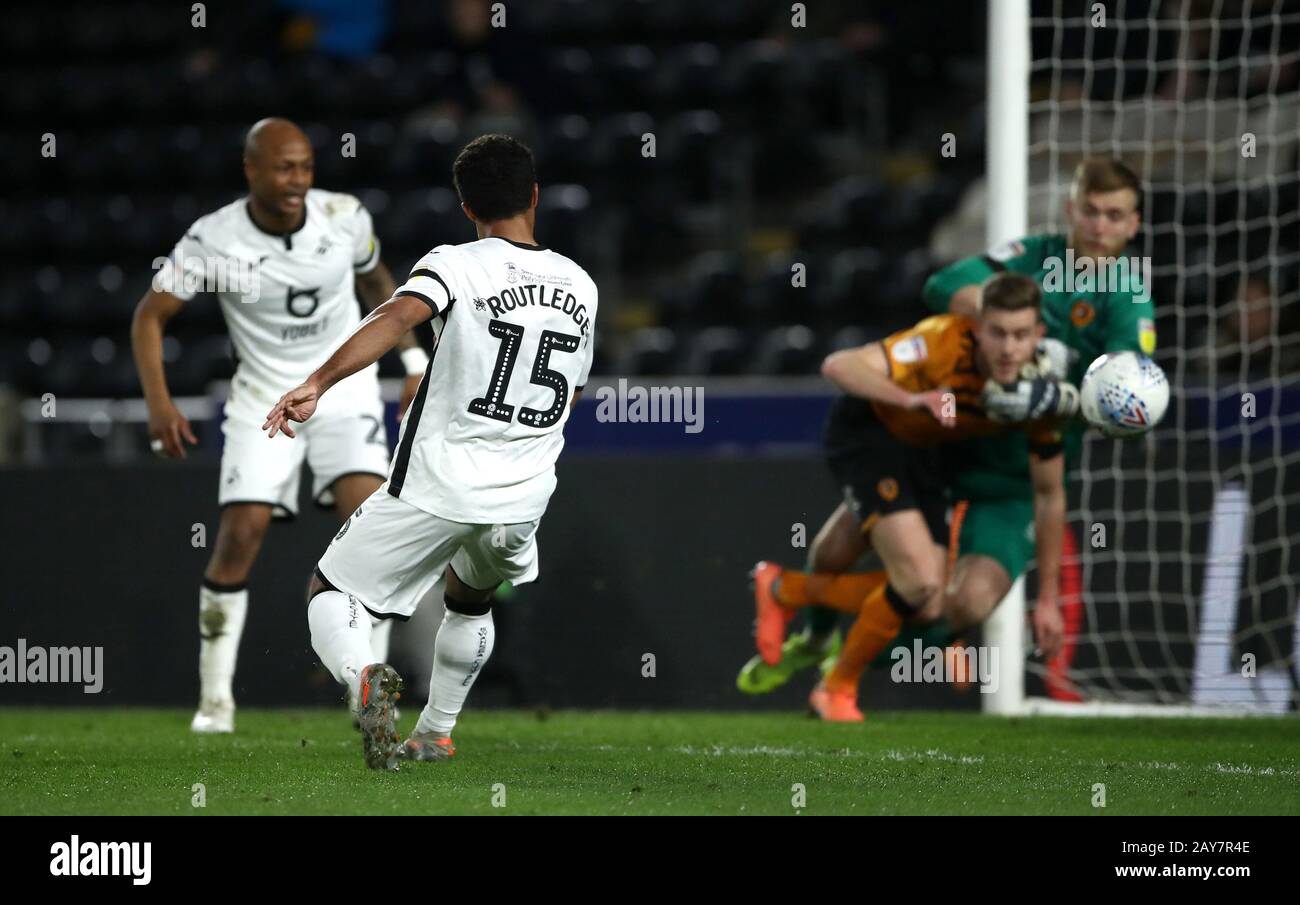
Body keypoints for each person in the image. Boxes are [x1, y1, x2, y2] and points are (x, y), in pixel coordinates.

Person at [263, 134, 598, 770]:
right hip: (523, 494)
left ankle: (365, 677)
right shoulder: (580, 284)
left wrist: (315, 383)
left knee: (330, 591)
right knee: (470, 598)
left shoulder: (455, 261)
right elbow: (572, 393)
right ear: (534, 196)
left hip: (439, 482)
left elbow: (395, 317)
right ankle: (436, 733)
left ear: (466, 206)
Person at [131, 117, 425, 733]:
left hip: (341, 389)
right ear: (252, 171)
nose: (297, 180)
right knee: (241, 535)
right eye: (284, 167)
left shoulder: (344, 217)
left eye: (306, 167)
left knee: (369, 527)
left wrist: (414, 358)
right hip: (263, 397)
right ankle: (215, 703)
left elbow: (379, 286)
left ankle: (368, 692)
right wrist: (159, 402)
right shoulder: (214, 238)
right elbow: (150, 316)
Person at [753, 273, 1073, 720]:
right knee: (919, 580)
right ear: (978, 327)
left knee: (925, 600)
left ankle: (786, 590)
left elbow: (1049, 493)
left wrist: (1048, 599)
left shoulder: (1040, 392)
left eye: (1020, 336)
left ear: (1038, 336)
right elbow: (838, 366)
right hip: (872, 433)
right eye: (997, 333)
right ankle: (836, 688)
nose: (1007, 349)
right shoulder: (941, 342)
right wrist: (911, 400)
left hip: (923, 455)